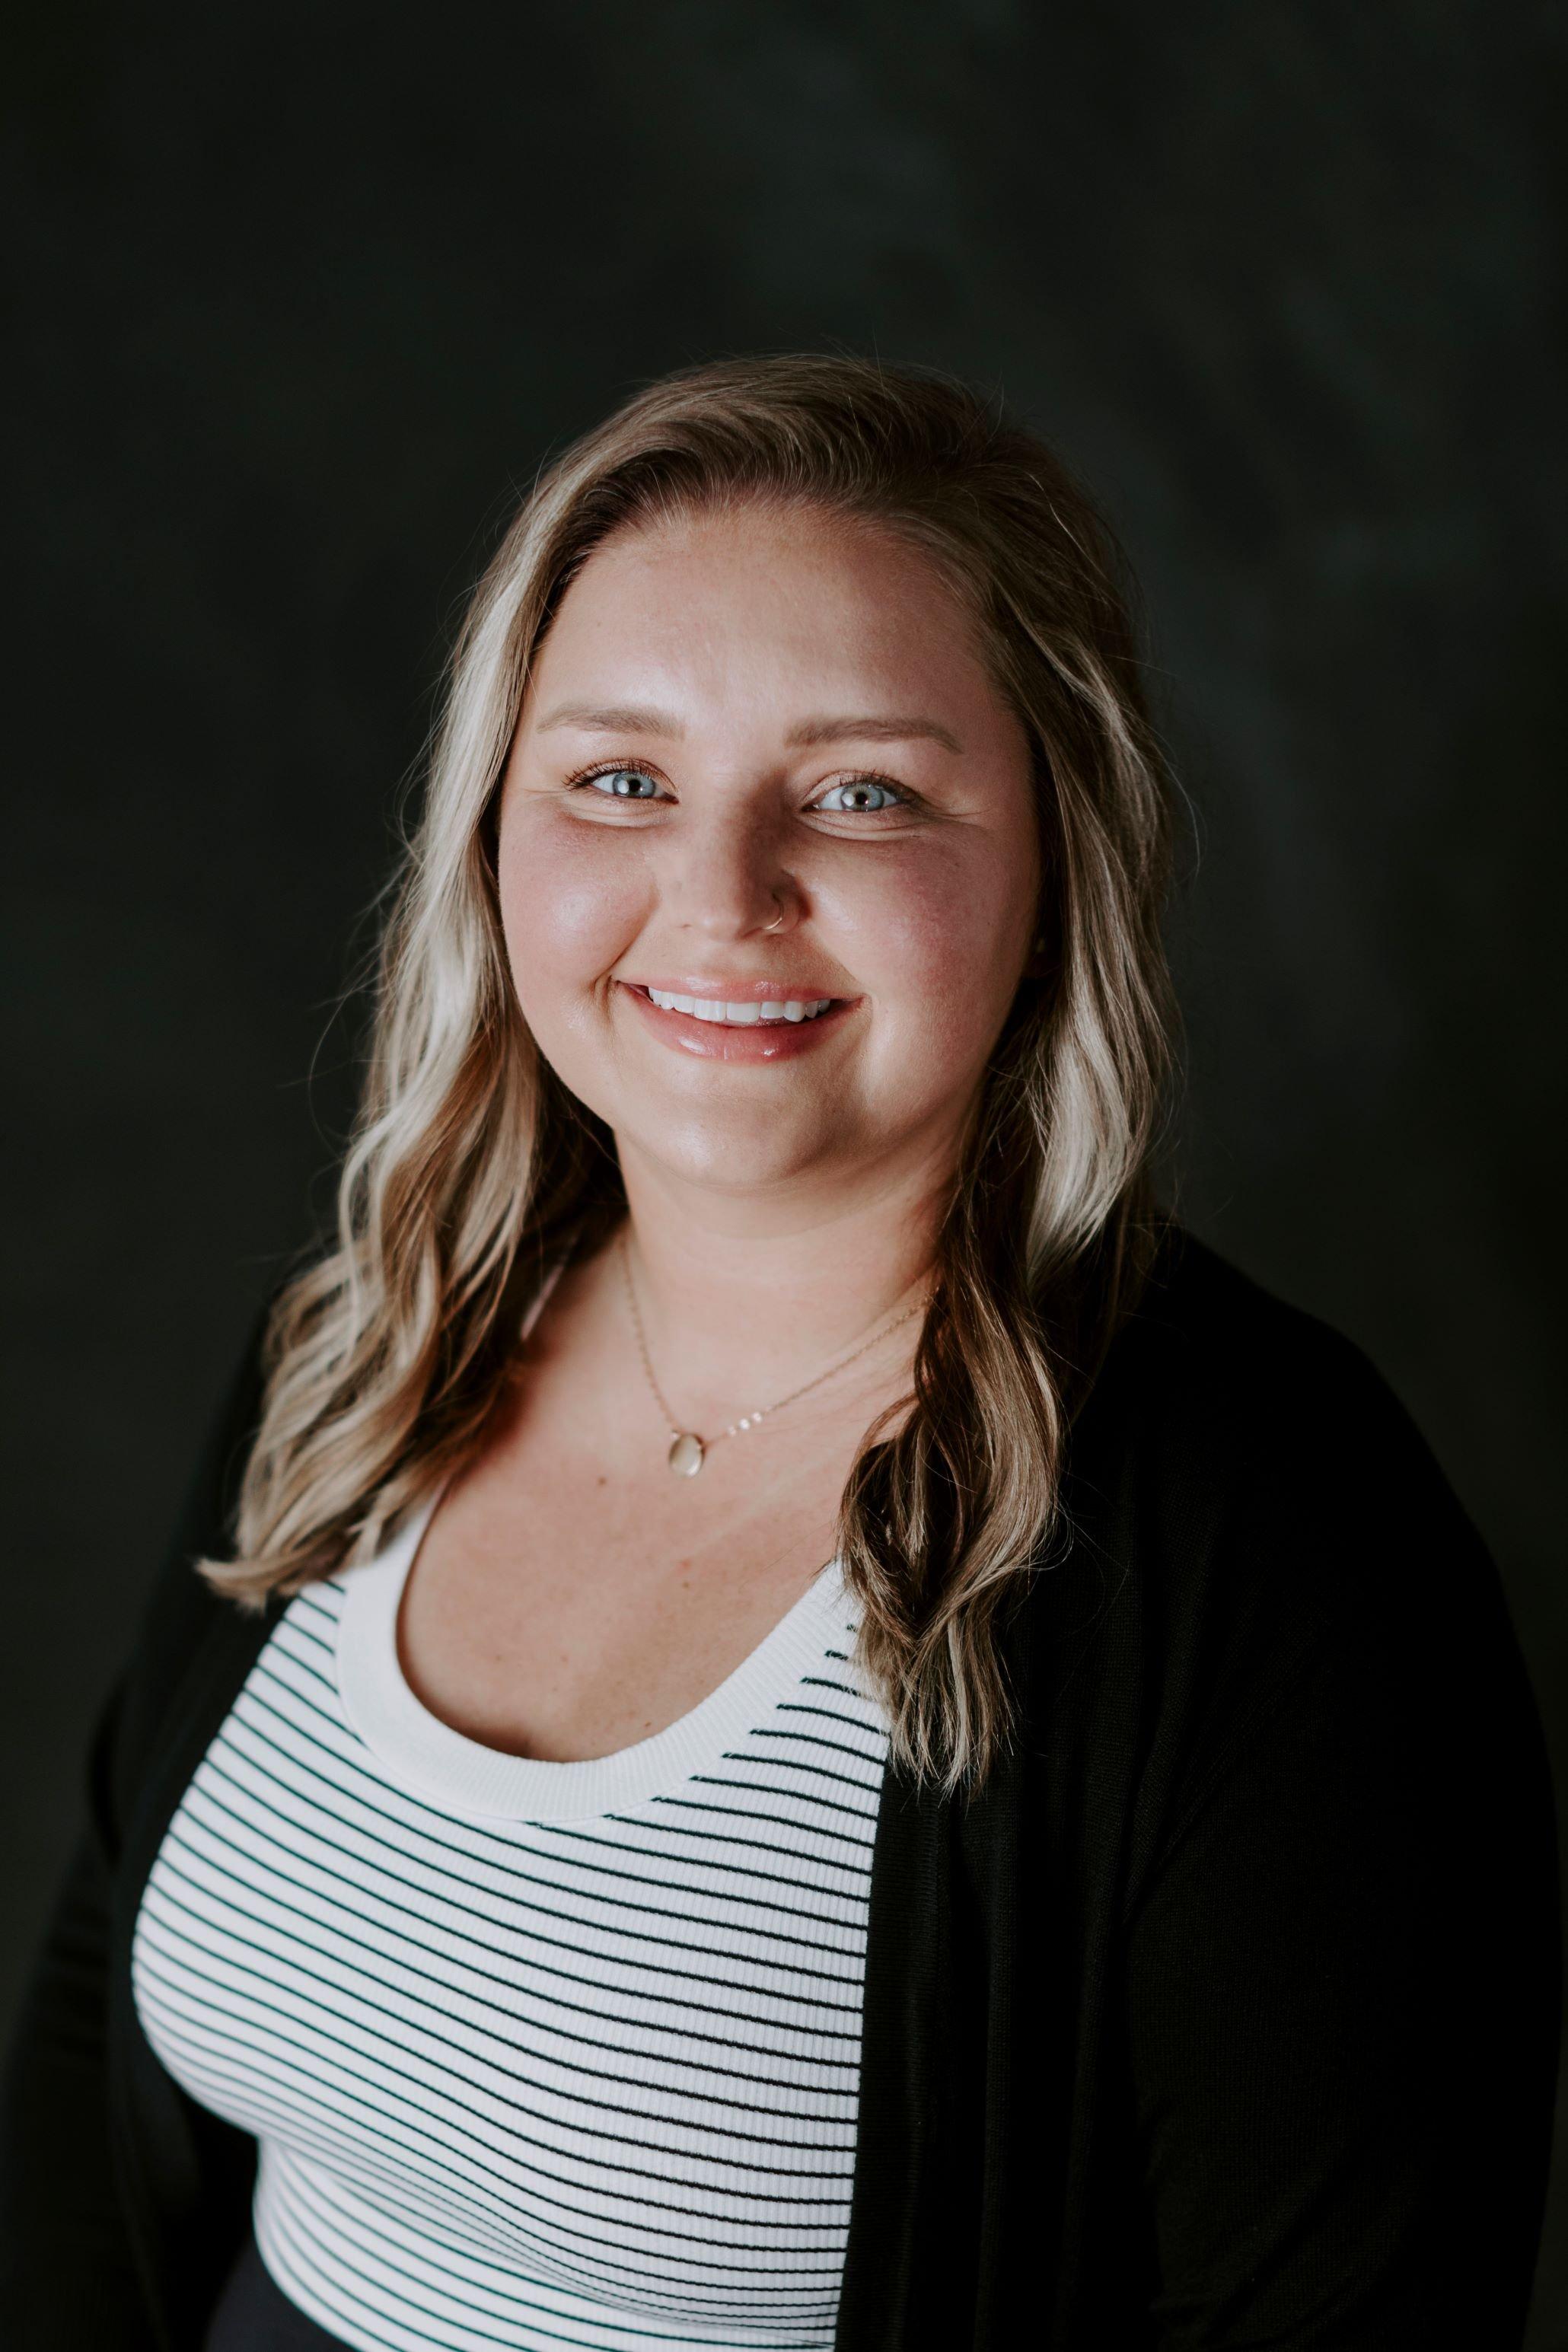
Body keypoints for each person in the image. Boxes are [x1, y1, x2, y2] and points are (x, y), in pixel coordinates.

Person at [0, 355, 1557, 2352]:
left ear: (1055, 856)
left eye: (862, 791)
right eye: (620, 777)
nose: (718, 895)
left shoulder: (1271, 1551)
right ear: (495, 829)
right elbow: (84, 2012)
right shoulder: (366, 1344)